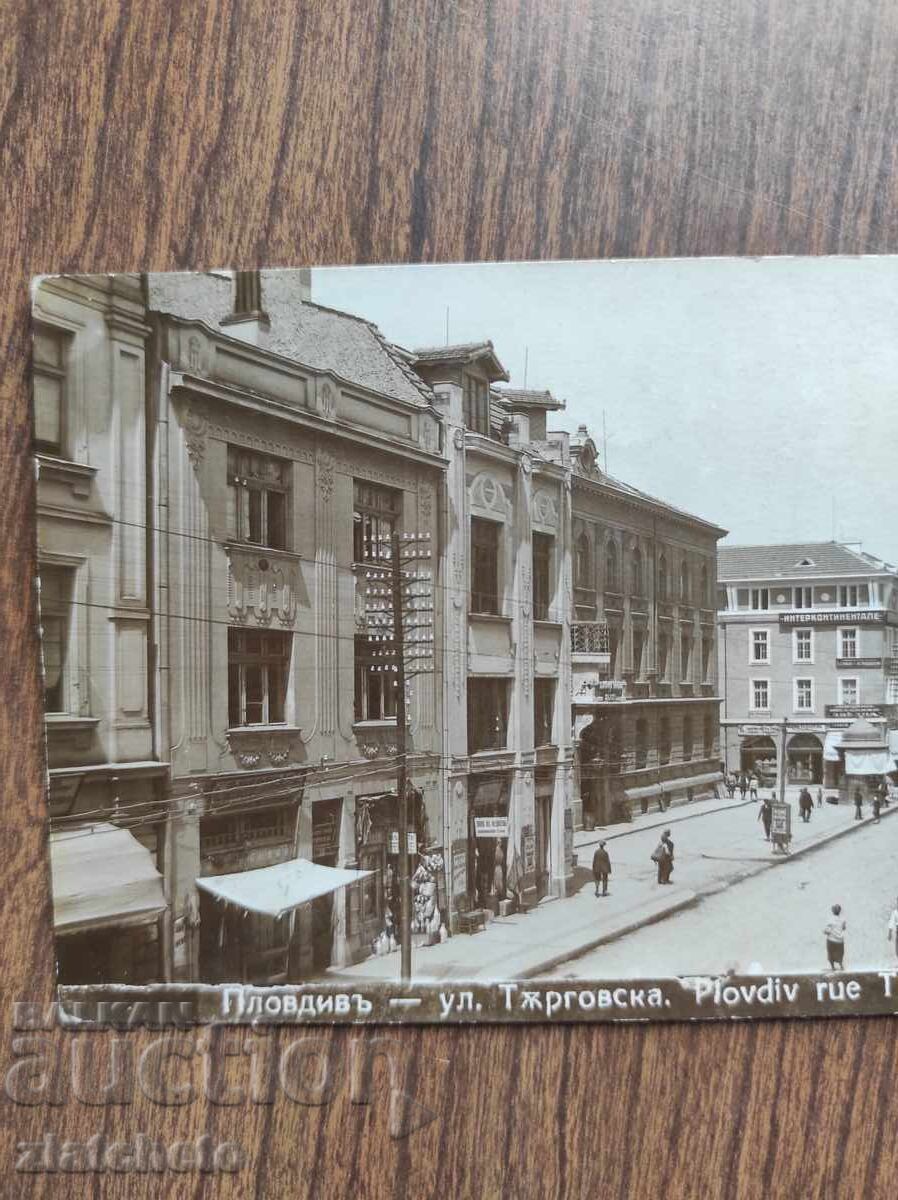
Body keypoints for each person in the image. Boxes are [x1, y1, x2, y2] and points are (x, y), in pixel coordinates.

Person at [824, 904, 846, 971]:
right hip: (840, 940)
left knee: (830, 953)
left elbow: (827, 930)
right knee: (840, 953)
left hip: (831, 940)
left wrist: (824, 931)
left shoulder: (830, 920)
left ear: (833, 911)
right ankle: (841, 965)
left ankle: (832, 967)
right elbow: (844, 928)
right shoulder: (843, 920)